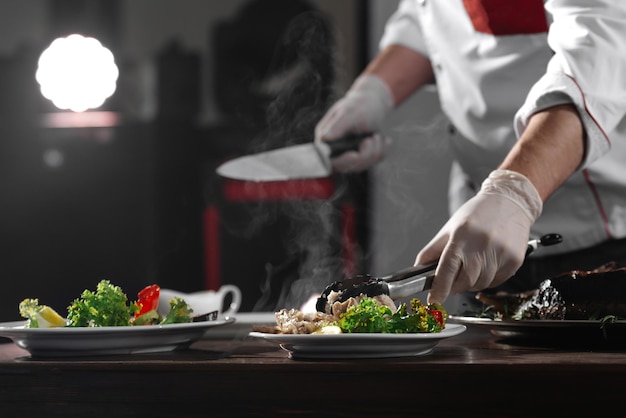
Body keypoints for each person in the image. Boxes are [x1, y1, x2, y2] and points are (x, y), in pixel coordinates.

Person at [314, 0, 626, 312]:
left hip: (600, 240)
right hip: (477, 239)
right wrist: (373, 94)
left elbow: (601, 53)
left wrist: (515, 192)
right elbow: (426, 16)